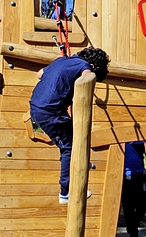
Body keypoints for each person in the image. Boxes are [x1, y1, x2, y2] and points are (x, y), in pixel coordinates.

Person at [29, 47, 110, 204]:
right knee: (69, 147)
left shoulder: (62, 60)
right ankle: (65, 192)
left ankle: (79, 163)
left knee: (71, 135)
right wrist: (88, 76)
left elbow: (40, 74)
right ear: (93, 65)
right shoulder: (85, 67)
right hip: (50, 112)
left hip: (37, 107)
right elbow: (87, 77)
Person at [121, 140, 146, 237]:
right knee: (128, 207)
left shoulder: (142, 141)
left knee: (142, 205)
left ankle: (132, 225)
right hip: (126, 177)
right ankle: (134, 236)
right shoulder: (122, 140)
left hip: (140, 176)